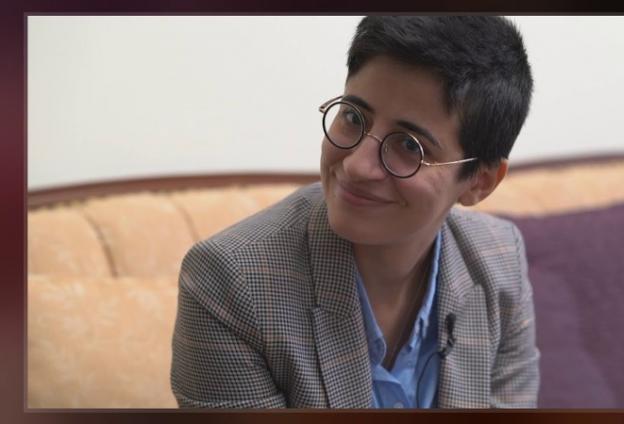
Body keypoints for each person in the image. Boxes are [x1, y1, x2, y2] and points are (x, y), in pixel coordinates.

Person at [171, 16, 539, 409]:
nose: (357, 166)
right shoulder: (229, 284)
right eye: (353, 117)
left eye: (409, 146)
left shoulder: (499, 259)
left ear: (480, 181)